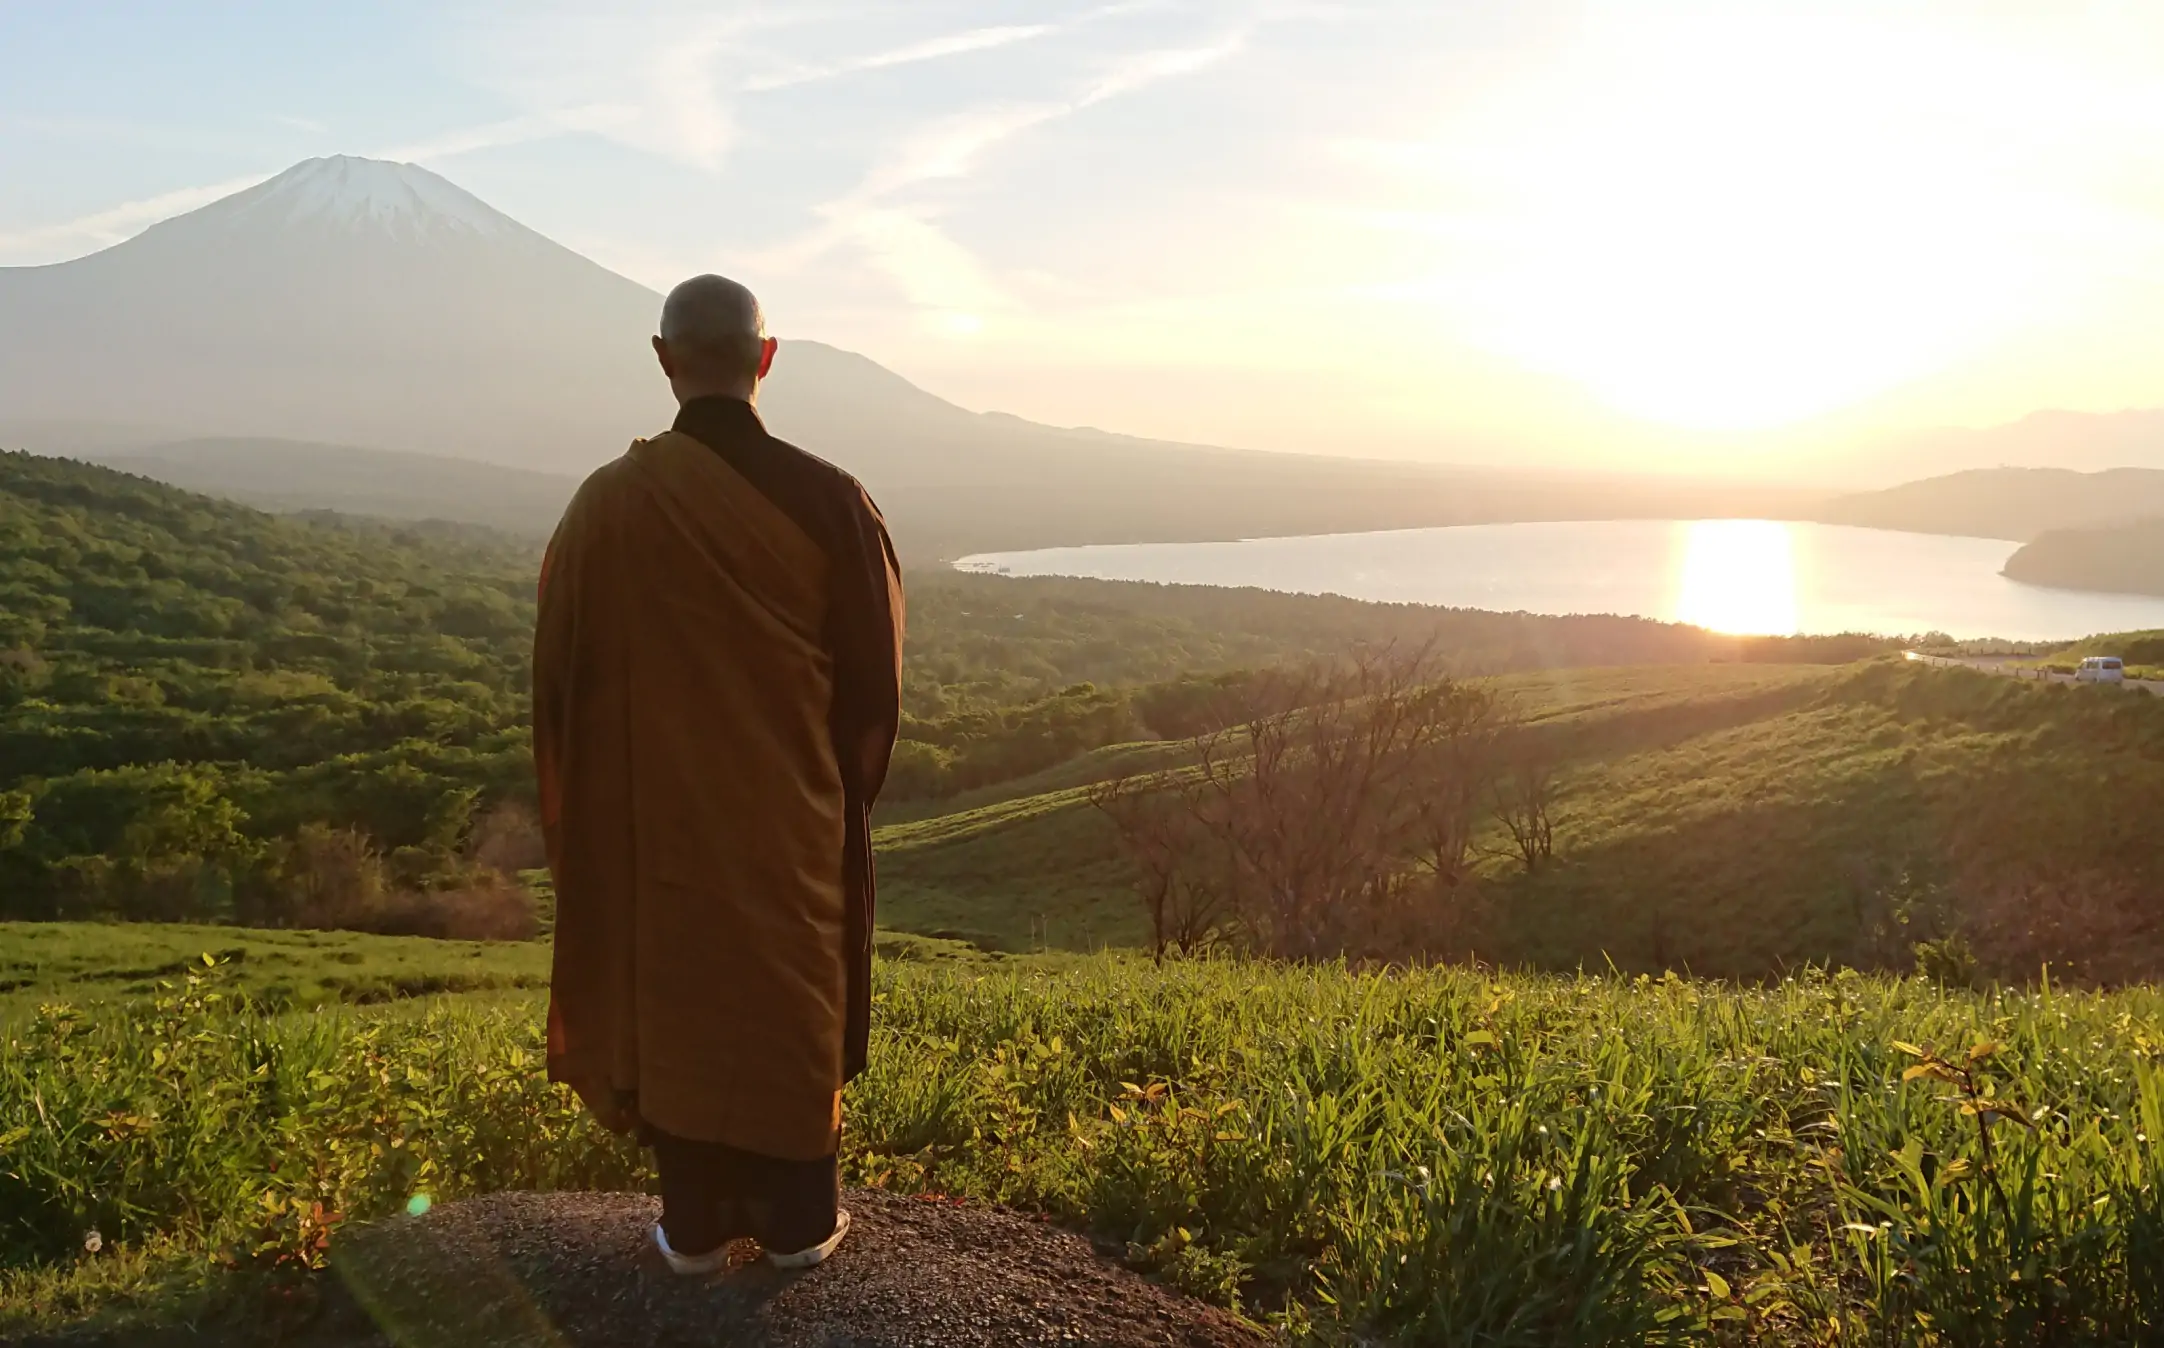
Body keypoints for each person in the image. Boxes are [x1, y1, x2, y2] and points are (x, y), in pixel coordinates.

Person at [532, 274, 904, 1273]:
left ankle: (692, 1222)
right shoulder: (832, 499)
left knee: (680, 993)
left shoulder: (608, 507)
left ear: (663, 360)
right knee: (788, 998)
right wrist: (824, 806)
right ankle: (796, 1222)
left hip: (662, 831)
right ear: (767, 358)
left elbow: (569, 691)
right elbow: (873, 697)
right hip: (795, 828)